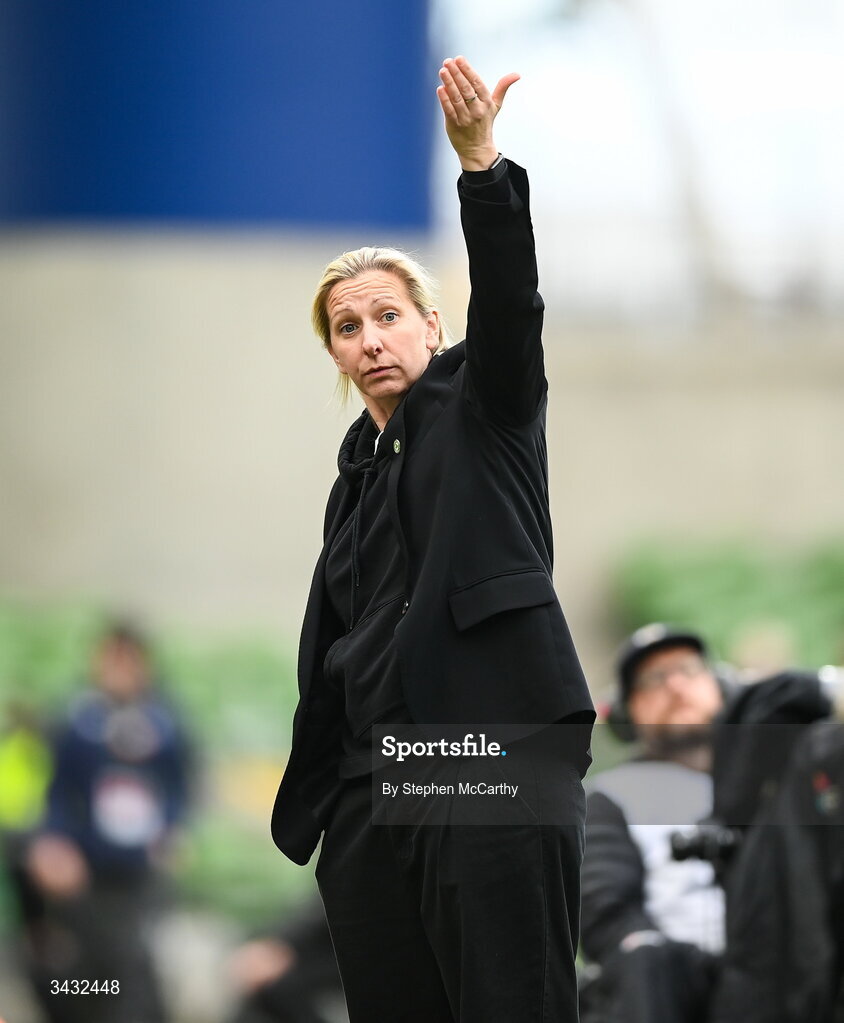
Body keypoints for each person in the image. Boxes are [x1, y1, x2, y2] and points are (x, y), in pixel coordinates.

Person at [271, 55, 595, 1023]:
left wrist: (480, 165)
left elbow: (513, 306)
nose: (369, 338)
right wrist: (337, 799)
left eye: (386, 316)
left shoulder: (482, 405)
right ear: (332, 351)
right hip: (376, 780)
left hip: (486, 747)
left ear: (430, 324)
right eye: (346, 326)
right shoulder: (352, 480)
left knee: (509, 1002)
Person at [580, 623, 839, 1023]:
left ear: (719, 685)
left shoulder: (767, 776)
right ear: (630, 710)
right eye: (654, 680)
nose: (676, 687)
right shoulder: (612, 795)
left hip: (780, 955)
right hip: (676, 978)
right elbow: (607, 912)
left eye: (689, 670)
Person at [23, 620, 193, 1023]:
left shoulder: (166, 724)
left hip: (141, 869)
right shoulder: (77, 722)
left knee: (132, 961)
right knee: (86, 967)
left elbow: (179, 787)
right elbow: (59, 790)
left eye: (128, 661)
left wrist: (174, 830)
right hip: (88, 868)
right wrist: (54, 841)